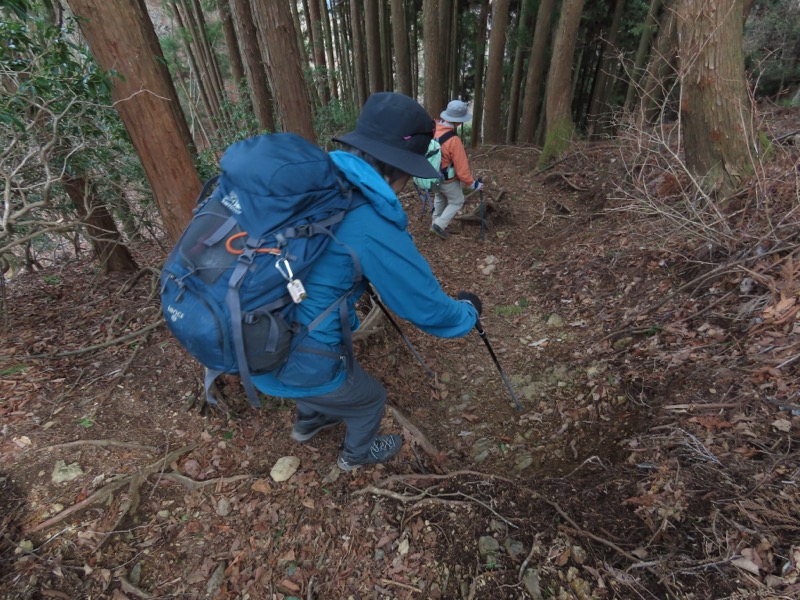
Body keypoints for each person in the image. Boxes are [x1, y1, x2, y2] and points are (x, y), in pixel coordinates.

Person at [250, 92, 482, 471]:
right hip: (289, 354)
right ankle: (355, 457)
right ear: (400, 169)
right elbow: (424, 306)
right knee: (371, 397)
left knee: (321, 362)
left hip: (253, 336)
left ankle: (310, 419)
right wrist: (468, 313)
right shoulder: (371, 224)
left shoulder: (321, 185)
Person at [430, 99, 484, 240]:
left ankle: (434, 222)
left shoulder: (434, 129)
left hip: (431, 176)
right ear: (458, 121)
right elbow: (461, 170)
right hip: (447, 179)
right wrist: (473, 184)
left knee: (440, 197)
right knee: (457, 201)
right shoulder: (453, 140)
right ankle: (439, 225)